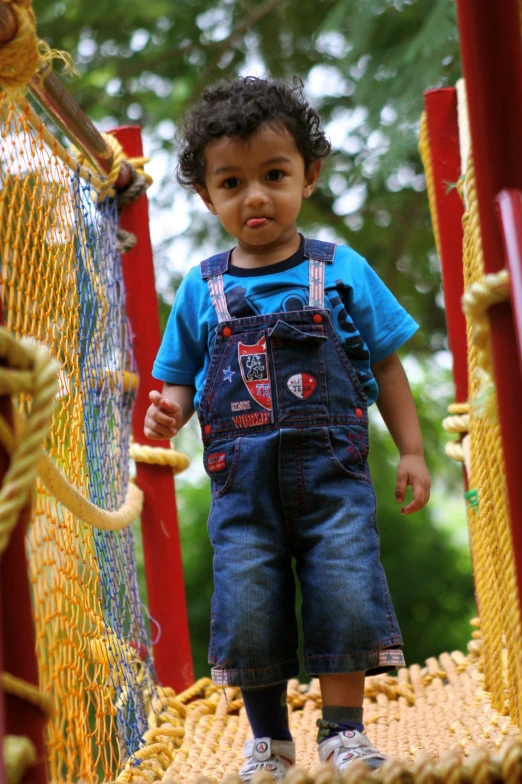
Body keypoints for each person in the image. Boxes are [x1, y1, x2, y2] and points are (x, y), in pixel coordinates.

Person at [144, 76, 431, 780]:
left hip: (333, 482)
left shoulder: (341, 270)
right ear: (207, 196)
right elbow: (178, 378)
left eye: (274, 175)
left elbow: (389, 366)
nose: (255, 197)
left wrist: (413, 451)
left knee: (346, 591)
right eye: (231, 182)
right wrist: (169, 410)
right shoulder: (199, 288)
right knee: (247, 607)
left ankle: (342, 733)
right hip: (242, 492)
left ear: (310, 176)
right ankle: (268, 741)